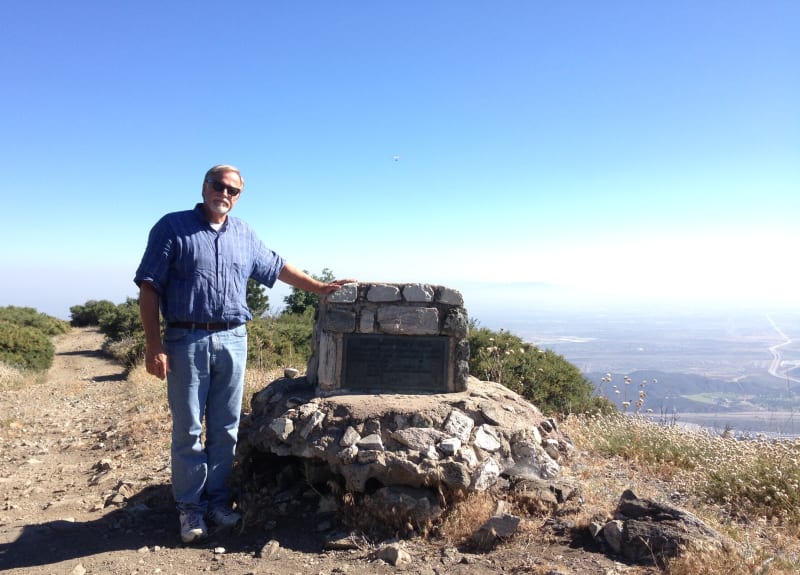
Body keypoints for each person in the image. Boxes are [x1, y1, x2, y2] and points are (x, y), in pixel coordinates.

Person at [134, 164, 351, 543]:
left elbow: (276, 266)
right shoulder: (172, 227)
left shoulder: (244, 233)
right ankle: (190, 510)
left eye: (233, 191)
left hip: (234, 338)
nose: (225, 194)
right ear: (204, 187)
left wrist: (318, 287)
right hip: (186, 340)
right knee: (188, 429)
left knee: (226, 427)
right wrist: (154, 348)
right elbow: (149, 288)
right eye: (219, 186)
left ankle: (217, 502)